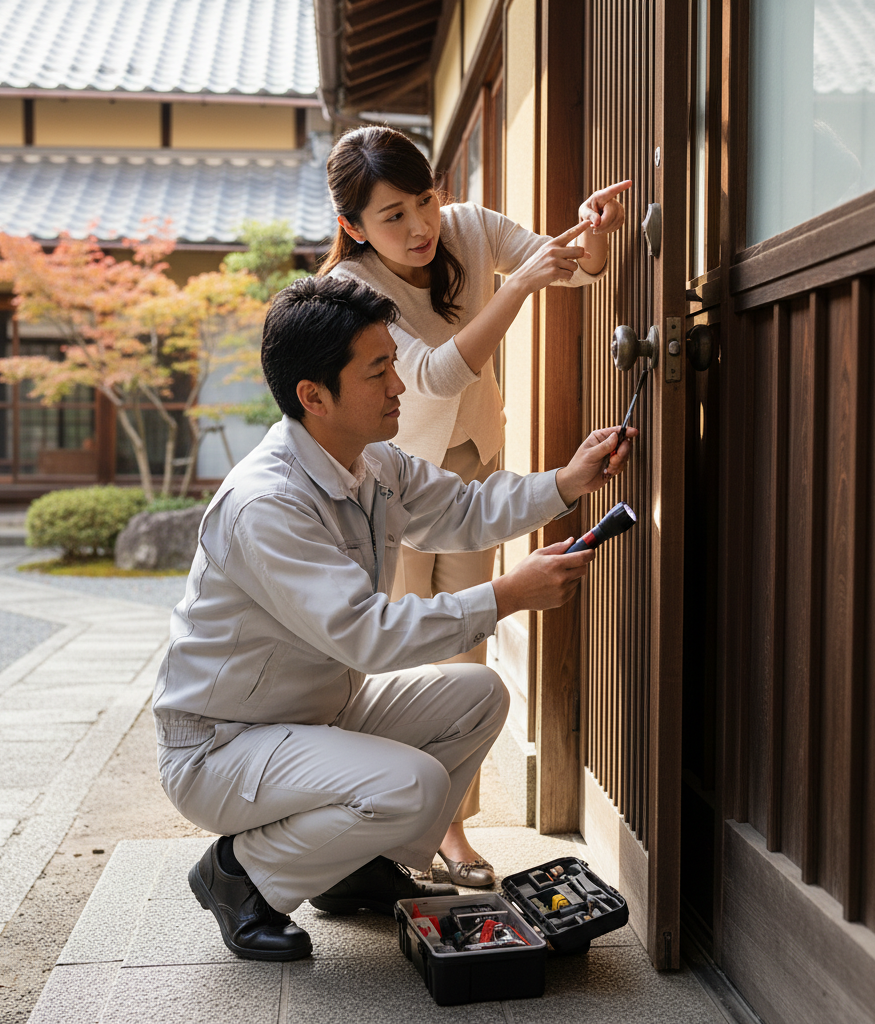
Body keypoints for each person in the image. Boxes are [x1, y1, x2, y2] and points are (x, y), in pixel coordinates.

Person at [152, 275, 635, 961]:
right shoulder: (266, 504)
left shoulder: (372, 460)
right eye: (378, 371)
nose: (399, 388)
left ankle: (350, 868)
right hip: (221, 747)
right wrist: (507, 595)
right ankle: (240, 877)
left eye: (394, 366)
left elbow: (463, 512)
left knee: (478, 695)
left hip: (309, 717)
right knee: (414, 784)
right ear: (313, 397)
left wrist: (567, 482)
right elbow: (367, 635)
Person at [321, 125, 630, 886]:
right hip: (386, 482)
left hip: (469, 474)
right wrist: (520, 285)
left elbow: (574, 270)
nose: (420, 226)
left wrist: (591, 235)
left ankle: (452, 829)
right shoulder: (350, 289)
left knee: (467, 651)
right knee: (394, 659)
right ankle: (385, 824)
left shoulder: (467, 227)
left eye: (425, 200)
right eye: (392, 216)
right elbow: (430, 377)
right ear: (354, 226)